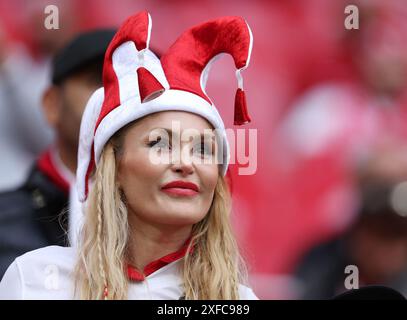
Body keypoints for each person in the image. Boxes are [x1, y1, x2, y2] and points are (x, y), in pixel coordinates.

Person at [0, 11, 258, 300]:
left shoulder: (236, 300)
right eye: (160, 143)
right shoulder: (34, 278)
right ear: (115, 168)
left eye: (203, 149)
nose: (186, 163)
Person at [0, 29, 115, 277]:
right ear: (52, 104)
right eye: (100, 81)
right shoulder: (5, 222)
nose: (122, 97)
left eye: (136, 83)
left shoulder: (184, 222)